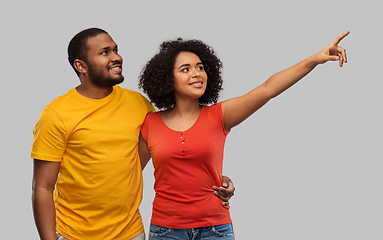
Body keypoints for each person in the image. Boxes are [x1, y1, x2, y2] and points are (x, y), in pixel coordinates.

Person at [138, 31, 349, 239]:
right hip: (166, 231)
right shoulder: (150, 124)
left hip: (215, 229)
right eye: (185, 69)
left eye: (200, 67)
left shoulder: (220, 116)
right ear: (168, 79)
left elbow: (268, 88)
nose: (196, 73)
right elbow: (129, 174)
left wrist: (315, 59)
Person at [31, 27, 234, 240]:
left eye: (115, 50)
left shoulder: (139, 105)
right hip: (74, 234)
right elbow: (42, 187)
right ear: (81, 66)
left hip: (131, 233)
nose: (116, 57)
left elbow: (173, 152)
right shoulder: (56, 114)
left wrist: (216, 179)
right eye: (105, 52)